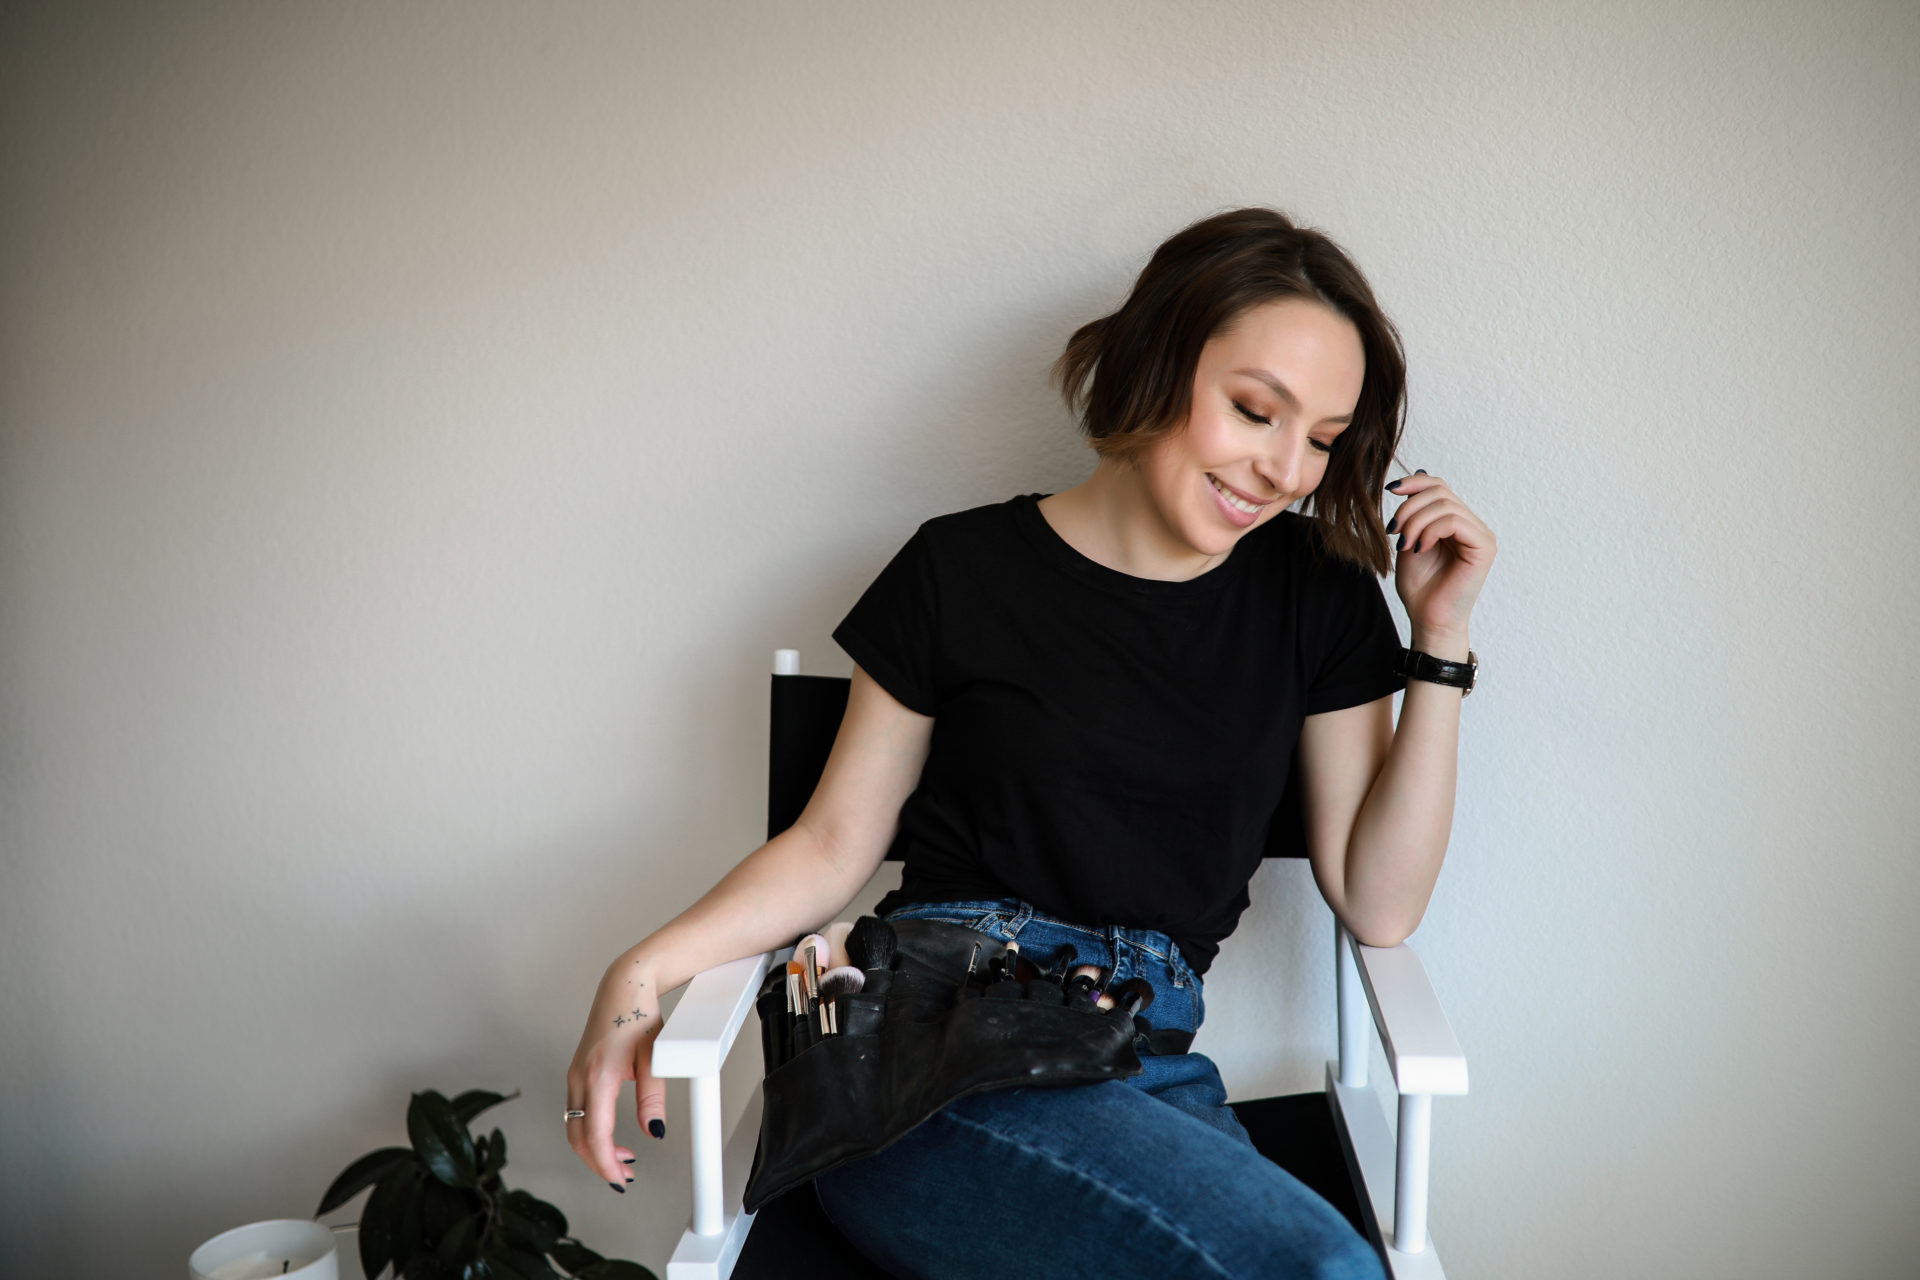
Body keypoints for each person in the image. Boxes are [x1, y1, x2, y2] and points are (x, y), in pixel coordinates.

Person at [565, 206, 1496, 1279]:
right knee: (1321, 1268)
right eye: (1255, 411)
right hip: (935, 1060)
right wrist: (641, 969)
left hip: (1146, 1067)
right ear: (1156, 360)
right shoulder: (955, 571)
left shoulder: (1316, 596)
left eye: (1324, 439)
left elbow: (1379, 900)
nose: (1288, 469)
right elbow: (832, 845)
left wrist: (1441, 639)